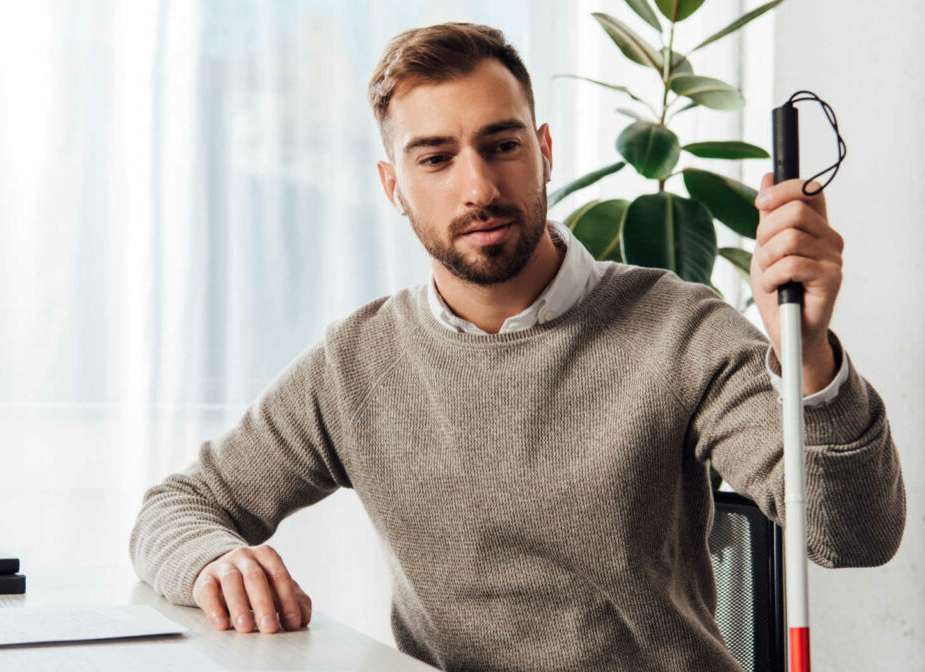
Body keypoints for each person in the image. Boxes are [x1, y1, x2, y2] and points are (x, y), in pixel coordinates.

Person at [129, 22, 905, 672]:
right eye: (435, 158)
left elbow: (854, 536)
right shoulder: (356, 365)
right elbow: (176, 509)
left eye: (501, 145)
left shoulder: (677, 329)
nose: (479, 188)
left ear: (543, 151)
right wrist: (210, 561)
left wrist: (805, 354)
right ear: (393, 186)